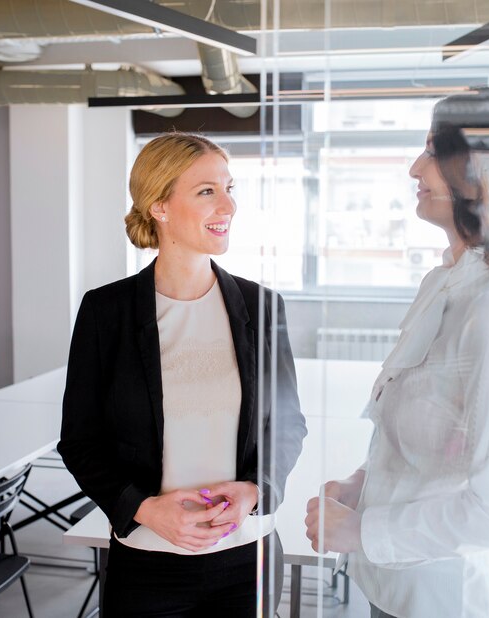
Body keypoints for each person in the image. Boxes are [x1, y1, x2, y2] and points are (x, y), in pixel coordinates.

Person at [305, 87, 489, 618]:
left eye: (433, 151)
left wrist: (363, 529)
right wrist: (360, 485)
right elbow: (430, 441)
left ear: (483, 171)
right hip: (391, 591)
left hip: (446, 601)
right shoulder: (445, 283)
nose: (416, 168)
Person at [58, 133, 307, 617]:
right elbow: (80, 441)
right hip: (147, 563)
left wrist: (257, 490)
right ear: (160, 207)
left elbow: (289, 424)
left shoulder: (262, 307)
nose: (229, 204)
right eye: (207, 190)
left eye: (229, 187)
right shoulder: (105, 311)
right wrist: (145, 509)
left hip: (248, 559)